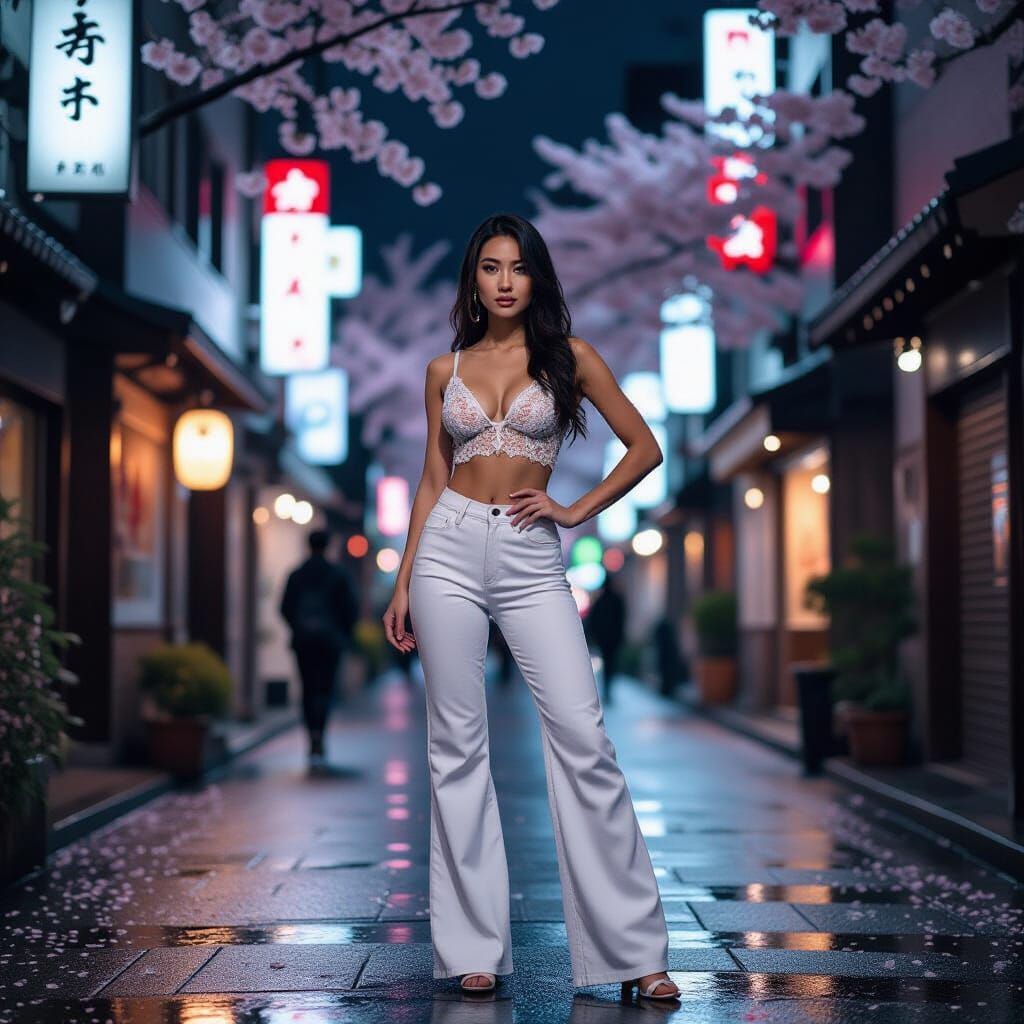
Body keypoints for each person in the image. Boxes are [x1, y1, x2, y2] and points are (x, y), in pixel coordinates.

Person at [381, 214, 679, 1001]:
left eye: (518, 267)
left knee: (584, 736)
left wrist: (578, 510)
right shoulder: (443, 370)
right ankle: (472, 948)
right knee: (456, 746)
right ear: (472, 280)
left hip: (528, 552)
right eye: (490, 267)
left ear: (537, 277)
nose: (504, 280)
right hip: (447, 548)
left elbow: (645, 448)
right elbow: (432, 479)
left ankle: (635, 953)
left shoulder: (571, 359)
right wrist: (404, 579)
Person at [280, 529, 358, 771]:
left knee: (307, 688)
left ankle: (311, 736)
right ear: (328, 546)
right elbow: (350, 609)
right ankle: (320, 736)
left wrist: (298, 627)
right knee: (325, 688)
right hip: (330, 642)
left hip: (303, 641)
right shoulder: (338, 574)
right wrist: (342, 633)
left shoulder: (296, 574)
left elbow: (284, 607)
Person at [586, 573, 627, 705]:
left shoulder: (600, 601)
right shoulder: (617, 600)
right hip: (613, 639)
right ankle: (608, 689)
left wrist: (594, 636)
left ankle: (607, 689)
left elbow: (593, 620)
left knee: (607, 663)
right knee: (611, 664)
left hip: (604, 639)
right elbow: (622, 620)